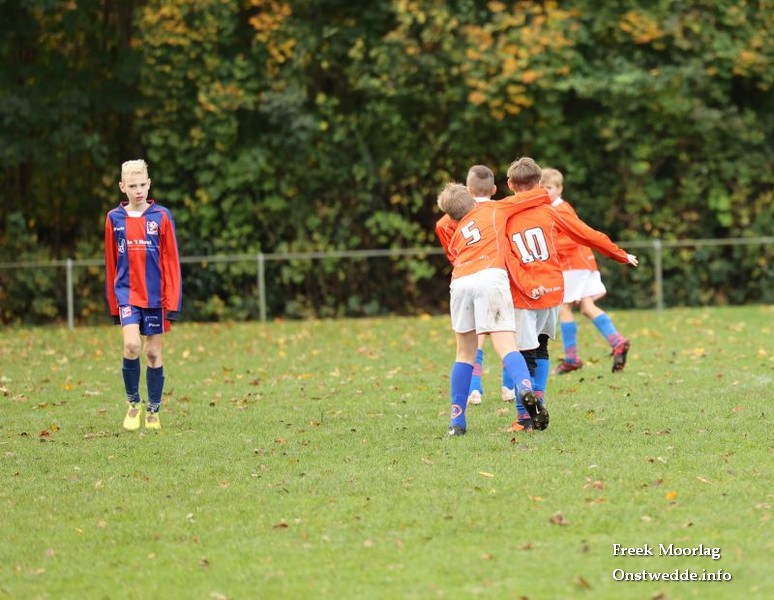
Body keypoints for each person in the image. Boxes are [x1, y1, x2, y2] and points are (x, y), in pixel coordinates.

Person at [502, 160, 639, 432]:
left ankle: (524, 418)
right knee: (542, 347)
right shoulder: (551, 211)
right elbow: (587, 234)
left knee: (523, 353)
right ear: (539, 184)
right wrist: (620, 254)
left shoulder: (502, 215)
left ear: (509, 185)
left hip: (526, 292)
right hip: (553, 290)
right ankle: (538, 404)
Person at [435, 166, 549, 437]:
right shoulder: (495, 209)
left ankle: (457, 422)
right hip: (490, 277)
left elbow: (448, 241)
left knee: (464, 353)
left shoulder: (452, 227)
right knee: (507, 345)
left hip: (460, 281)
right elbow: (540, 195)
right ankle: (525, 389)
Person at [104, 159, 182, 431]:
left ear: (149, 184)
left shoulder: (161, 216)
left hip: (155, 297)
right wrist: (113, 303)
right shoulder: (114, 218)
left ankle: (153, 410)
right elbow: (111, 261)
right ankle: (133, 402)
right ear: (122, 187)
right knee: (131, 346)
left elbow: (171, 261)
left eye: (142, 185)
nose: (138, 191)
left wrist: (173, 301)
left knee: (152, 352)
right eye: (132, 186)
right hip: (127, 293)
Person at [436, 165, 515, 407]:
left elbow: (454, 254)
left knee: (474, 338)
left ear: (468, 190)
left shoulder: (445, 222)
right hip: (498, 275)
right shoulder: (500, 209)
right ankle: (509, 387)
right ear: (494, 189)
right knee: (507, 336)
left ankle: (474, 389)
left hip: (466, 278)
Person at [540, 168, 632, 374]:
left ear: (560, 189)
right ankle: (617, 342)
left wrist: (549, 250)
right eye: (542, 188)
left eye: (549, 187)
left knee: (563, 307)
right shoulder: (554, 208)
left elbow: (571, 238)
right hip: (582, 261)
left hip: (572, 263)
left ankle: (571, 358)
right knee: (586, 306)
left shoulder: (560, 209)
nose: (545, 191)